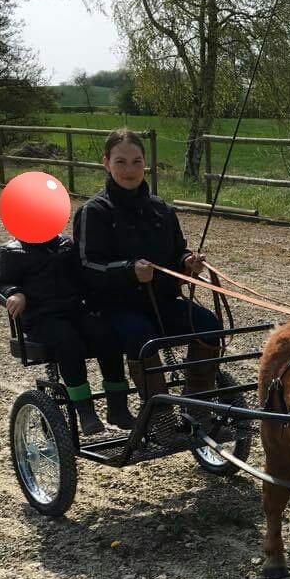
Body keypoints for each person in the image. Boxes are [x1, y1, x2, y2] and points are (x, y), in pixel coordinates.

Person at [73, 129, 221, 401]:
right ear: (106, 163)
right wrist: (129, 271)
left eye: (136, 162)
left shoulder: (161, 210)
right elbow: (87, 266)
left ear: (145, 163)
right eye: (120, 162)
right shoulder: (93, 212)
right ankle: (158, 410)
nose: (129, 170)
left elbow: (177, 251)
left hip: (162, 302)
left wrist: (187, 261)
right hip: (115, 307)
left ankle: (197, 401)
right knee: (142, 335)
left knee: (210, 325)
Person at [0, 235, 134, 436]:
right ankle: (85, 411)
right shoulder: (11, 251)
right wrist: (15, 293)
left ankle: (118, 407)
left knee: (106, 335)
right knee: (68, 342)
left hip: (75, 310)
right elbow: (1, 283)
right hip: (41, 317)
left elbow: (82, 276)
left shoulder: (66, 244)